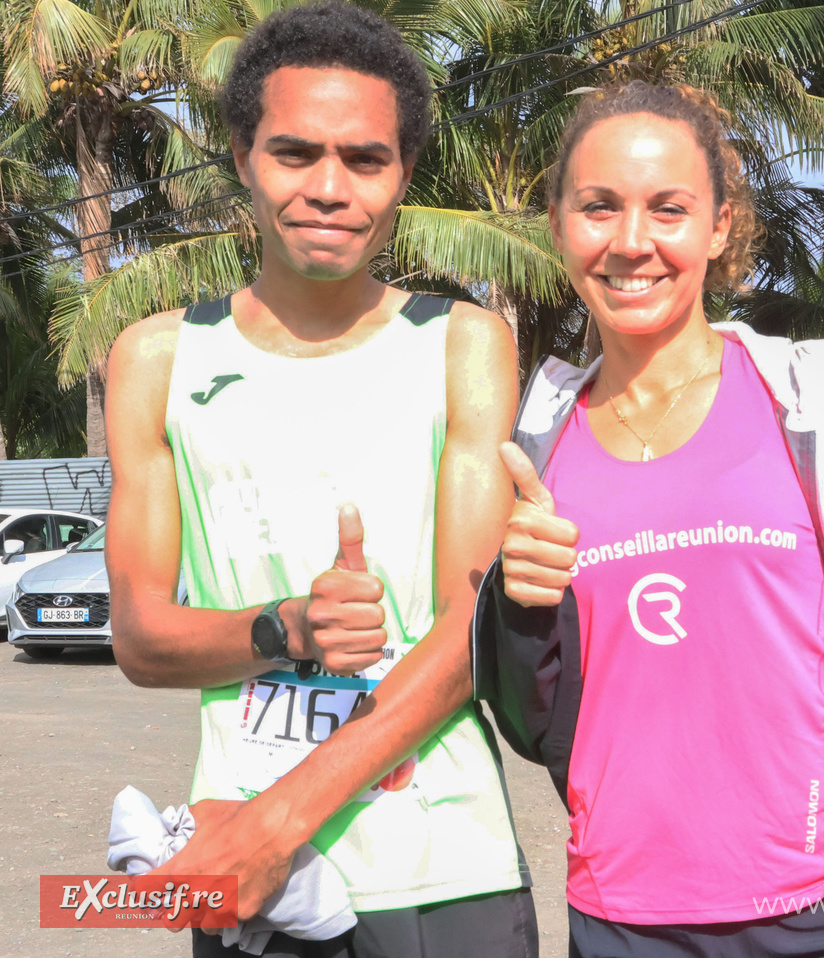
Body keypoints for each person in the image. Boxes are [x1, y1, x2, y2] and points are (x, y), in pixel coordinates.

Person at [104, 4, 537, 956]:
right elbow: (138, 636)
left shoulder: (463, 345)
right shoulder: (155, 360)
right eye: (295, 153)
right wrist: (285, 627)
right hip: (242, 870)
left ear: (405, 172)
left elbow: (469, 641)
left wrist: (277, 824)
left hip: (437, 865)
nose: (330, 188)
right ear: (241, 156)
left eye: (365, 159)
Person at [474, 81, 824, 958]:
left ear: (720, 226)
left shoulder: (823, 400)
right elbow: (536, 722)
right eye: (599, 208)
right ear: (557, 223)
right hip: (628, 915)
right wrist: (519, 601)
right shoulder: (534, 443)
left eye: (669, 208)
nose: (631, 243)